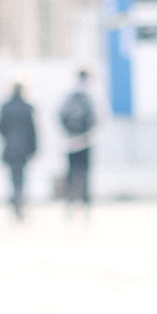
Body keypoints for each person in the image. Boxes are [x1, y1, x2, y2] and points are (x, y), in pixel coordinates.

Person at [58, 64, 99, 212]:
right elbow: (96, 119)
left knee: (70, 172)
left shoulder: (69, 95)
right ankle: (86, 204)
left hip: (70, 141)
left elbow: (60, 115)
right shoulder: (90, 95)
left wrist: (69, 133)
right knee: (85, 174)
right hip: (86, 141)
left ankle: (69, 203)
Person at [0, 79, 37, 218]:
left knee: (13, 176)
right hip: (24, 148)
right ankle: (19, 200)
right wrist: (34, 148)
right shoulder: (27, 107)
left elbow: (0, 127)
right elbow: (32, 131)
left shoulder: (6, 107)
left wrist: (9, 137)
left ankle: (16, 200)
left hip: (10, 147)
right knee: (22, 177)